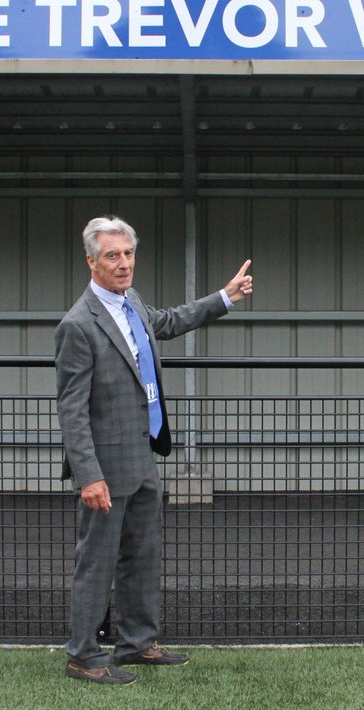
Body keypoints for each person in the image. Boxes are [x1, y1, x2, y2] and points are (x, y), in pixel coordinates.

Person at [55, 215, 253, 684]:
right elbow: (72, 409)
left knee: (142, 556)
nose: (124, 264)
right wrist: (89, 475)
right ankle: (83, 655)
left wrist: (225, 297)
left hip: (144, 456)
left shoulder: (132, 303)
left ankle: (137, 643)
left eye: (128, 254)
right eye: (112, 256)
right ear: (91, 261)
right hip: (106, 466)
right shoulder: (78, 325)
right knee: (95, 562)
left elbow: (169, 322)